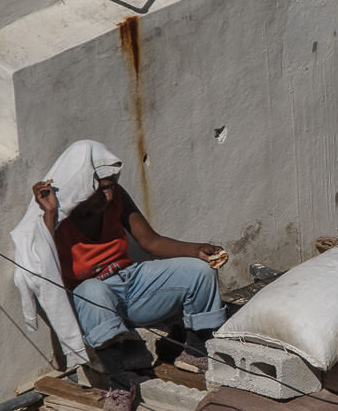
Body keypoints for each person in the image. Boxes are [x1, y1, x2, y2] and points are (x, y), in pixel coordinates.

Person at [30, 152, 226, 375]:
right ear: (80, 186)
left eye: (112, 186)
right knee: (93, 289)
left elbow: (151, 241)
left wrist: (195, 250)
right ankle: (120, 385)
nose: (109, 196)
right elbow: (44, 265)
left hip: (132, 284)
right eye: (101, 188)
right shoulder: (58, 215)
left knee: (201, 271)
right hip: (94, 301)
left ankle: (196, 352)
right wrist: (50, 214)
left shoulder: (115, 198)